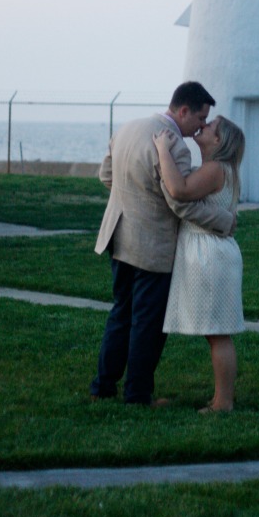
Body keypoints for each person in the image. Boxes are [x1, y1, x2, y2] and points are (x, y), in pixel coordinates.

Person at [90, 82, 235, 406]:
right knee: (148, 323)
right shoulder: (175, 148)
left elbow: (106, 175)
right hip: (152, 246)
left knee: (121, 313)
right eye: (200, 118)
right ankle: (138, 395)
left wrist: (135, 199)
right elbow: (181, 202)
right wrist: (224, 220)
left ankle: (103, 386)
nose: (200, 125)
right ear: (183, 111)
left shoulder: (129, 127)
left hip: (118, 234)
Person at [153, 115, 245, 413]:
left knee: (218, 332)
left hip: (210, 256)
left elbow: (179, 189)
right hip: (216, 252)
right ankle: (222, 398)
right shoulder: (221, 169)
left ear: (218, 141)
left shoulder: (215, 169)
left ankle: (223, 402)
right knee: (216, 332)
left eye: (210, 127)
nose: (202, 127)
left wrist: (162, 150)